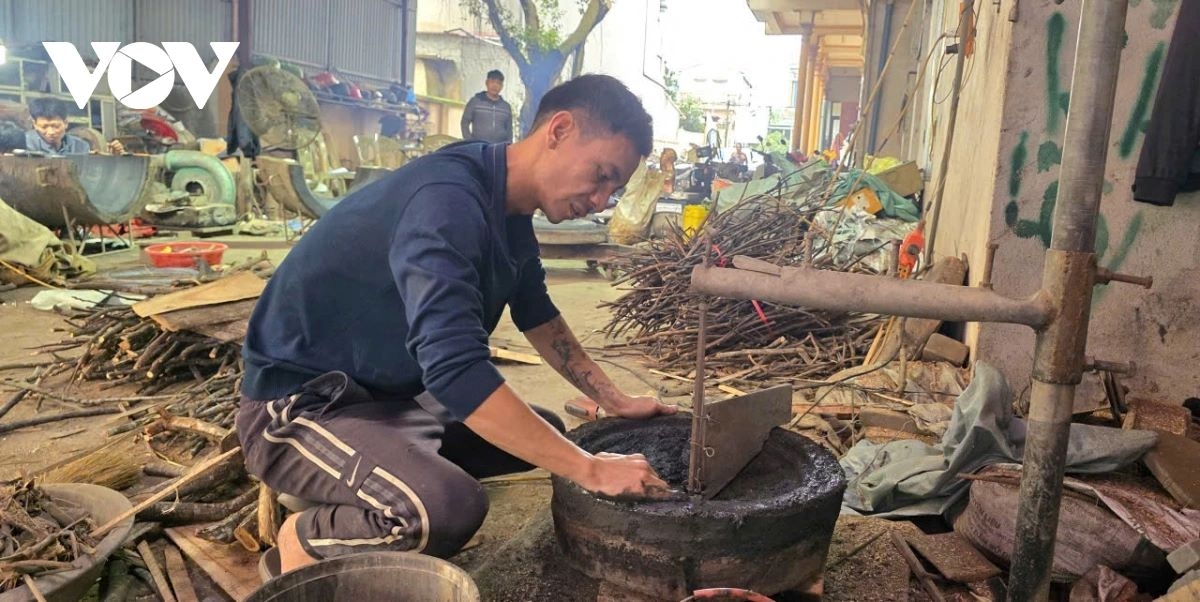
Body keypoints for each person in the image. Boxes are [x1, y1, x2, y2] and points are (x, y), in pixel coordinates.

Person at [237, 74, 674, 574]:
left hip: (384, 400)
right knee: (444, 509)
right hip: (299, 408)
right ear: (559, 130)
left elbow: (536, 313)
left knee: (547, 432)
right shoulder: (447, 203)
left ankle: (374, 472)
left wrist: (616, 401)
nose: (601, 200)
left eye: (612, 189)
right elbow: (455, 372)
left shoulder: (508, 206)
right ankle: (304, 539)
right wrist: (590, 469)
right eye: (601, 174)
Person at [25, 98, 123, 155]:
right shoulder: (24, 143)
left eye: (55, 126)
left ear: (66, 123)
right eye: (44, 127)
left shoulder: (80, 146)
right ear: (35, 124)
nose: (50, 132)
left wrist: (113, 158)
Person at [460, 69, 514, 144]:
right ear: (487, 83)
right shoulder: (475, 102)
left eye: (498, 83)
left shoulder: (506, 107)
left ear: (502, 86)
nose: (495, 86)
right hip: (479, 147)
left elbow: (509, 130)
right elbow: (464, 123)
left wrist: (508, 145)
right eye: (492, 82)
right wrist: (469, 141)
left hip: (499, 149)